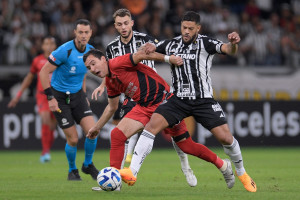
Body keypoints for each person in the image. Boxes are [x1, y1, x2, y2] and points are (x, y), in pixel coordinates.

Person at [120, 11, 257, 193]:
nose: (186, 31)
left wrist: (233, 44)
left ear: (198, 29)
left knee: (225, 137)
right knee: (151, 126)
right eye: (184, 27)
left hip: (203, 100)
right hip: (178, 100)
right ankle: (132, 171)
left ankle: (241, 173)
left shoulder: (206, 43)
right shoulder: (171, 44)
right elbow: (147, 53)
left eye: (190, 29)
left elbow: (227, 50)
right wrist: (150, 48)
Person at [83, 45, 235, 191]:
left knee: (186, 146)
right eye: (89, 68)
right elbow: (112, 107)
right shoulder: (110, 82)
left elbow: (142, 54)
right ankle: (114, 182)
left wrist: (170, 59)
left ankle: (222, 165)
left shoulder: (117, 63)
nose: (93, 69)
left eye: (93, 63)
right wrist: (96, 127)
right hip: (143, 106)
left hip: (165, 103)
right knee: (116, 135)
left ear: (104, 59)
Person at [91, 8, 197, 187]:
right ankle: (117, 179)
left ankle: (185, 166)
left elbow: (154, 53)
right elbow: (108, 70)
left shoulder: (144, 38)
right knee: (120, 134)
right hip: (131, 95)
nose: (123, 27)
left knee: (175, 135)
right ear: (115, 26)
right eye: (119, 24)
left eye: (126, 23)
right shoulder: (111, 47)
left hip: (154, 91)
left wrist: (169, 58)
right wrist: (103, 85)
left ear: (131, 22)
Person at [39, 19, 99, 181]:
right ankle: (72, 170)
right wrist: (50, 98)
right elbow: (43, 73)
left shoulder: (91, 51)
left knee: (93, 132)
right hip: (59, 98)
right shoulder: (64, 51)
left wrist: (84, 95)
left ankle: (87, 164)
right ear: (75, 33)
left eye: (86, 32)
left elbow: (84, 74)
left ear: (91, 33)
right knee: (73, 139)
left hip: (78, 96)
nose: (83, 35)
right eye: (80, 32)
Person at [8, 36, 57, 163]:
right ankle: (45, 152)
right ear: (43, 46)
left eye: (51, 44)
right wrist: (18, 96)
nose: (49, 46)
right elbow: (29, 78)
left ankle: (47, 149)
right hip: (42, 96)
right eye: (46, 43)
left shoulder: (59, 60)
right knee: (45, 119)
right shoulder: (37, 61)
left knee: (52, 126)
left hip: (57, 96)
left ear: (55, 47)